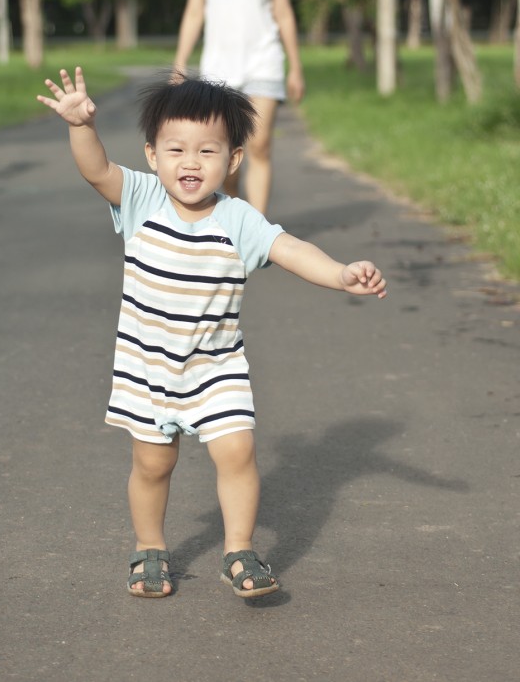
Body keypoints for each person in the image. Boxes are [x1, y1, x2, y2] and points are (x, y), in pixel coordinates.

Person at [37, 68, 387, 599]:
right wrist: (81, 126)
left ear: (234, 160)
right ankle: (150, 546)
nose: (191, 163)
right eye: (176, 150)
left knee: (238, 452)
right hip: (149, 369)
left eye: (207, 152)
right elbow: (97, 171)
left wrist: (339, 274)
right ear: (153, 154)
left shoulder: (239, 219)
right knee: (153, 464)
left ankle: (238, 549)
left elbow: (291, 249)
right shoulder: (141, 199)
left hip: (216, 367)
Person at [173, 0, 305, 216]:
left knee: (259, 145)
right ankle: (234, 218)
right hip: (219, 67)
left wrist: (296, 67)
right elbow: (194, 12)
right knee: (226, 152)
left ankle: (257, 229)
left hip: (264, 60)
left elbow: (284, 13)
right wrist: (180, 62)